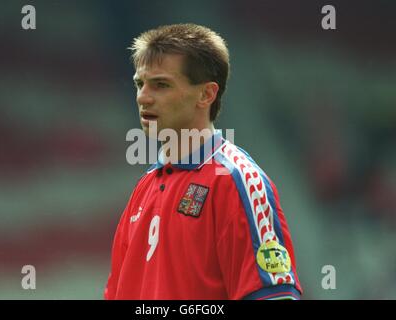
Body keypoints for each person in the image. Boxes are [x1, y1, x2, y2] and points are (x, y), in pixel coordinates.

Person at [105, 23, 302, 300]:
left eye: (160, 85)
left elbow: (274, 296)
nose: (143, 97)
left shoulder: (237, 180)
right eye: (140, 84)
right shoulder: (143, 189)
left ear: (206, 94)